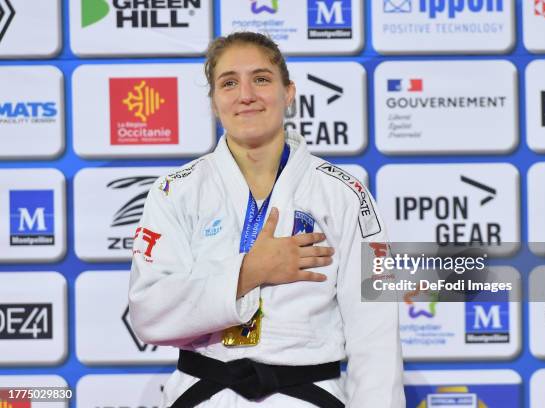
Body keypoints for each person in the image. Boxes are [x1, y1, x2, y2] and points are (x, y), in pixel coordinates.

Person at [128, 32, 405, 408]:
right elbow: (148, 313)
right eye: (229, 83)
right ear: (213, 102)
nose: (246, 95)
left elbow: (376, 335)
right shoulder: (175, 192)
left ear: (288, 92)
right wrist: (250, 271)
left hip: (305, 398)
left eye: (261, 79)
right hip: (204, 396)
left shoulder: (345, 194)